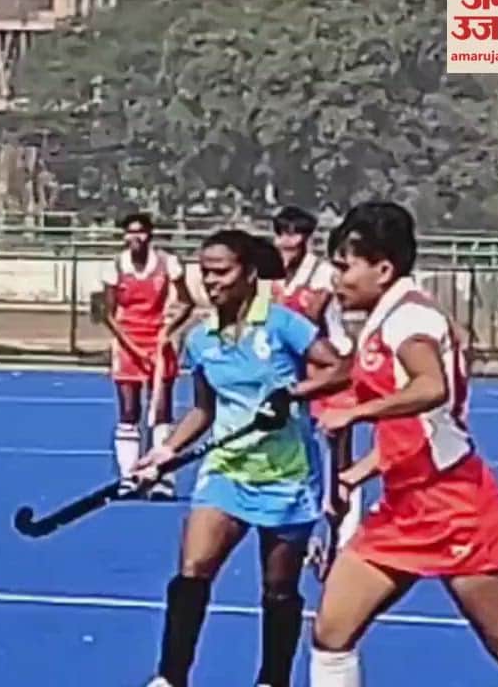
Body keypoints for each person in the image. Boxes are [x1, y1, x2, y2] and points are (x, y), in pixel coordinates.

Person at [310, 202, 498, 686]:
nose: (336, 279)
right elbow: (416, 430)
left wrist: (354, 412)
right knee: (331, 633)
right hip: (404, 505)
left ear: (383, 269)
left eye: (345, 266)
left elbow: (431, 388)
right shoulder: (384, 317)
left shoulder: (408, 320)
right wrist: (357, 473)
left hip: (453, 504)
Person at [134, 230, 349, 687]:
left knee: (278, 589)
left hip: (287, 475)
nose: (211, 282)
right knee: (192, 572)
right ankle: (170, 678)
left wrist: (292, 393)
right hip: (226, 471)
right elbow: (204, 410)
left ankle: (272, 680)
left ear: (249, 273)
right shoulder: (200, 339)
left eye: (222, 272)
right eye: (205, 273)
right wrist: (164, 451)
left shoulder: (283, 324)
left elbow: (341, 369)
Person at [272, 206, 364, 561]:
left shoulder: (322, 274)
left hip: (332, 368)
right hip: (299, 372)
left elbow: (306, 321)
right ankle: (308, 533)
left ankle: (345, 537)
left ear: (307, 239)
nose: (287, 242)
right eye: (281, 233)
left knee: (338, 455)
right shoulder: (273, 276)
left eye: (294, 234)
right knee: (302, 454)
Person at [100, 212, 193, 499]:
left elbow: (187, 302)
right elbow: (107, 313)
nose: (135, 237)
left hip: (158, 342)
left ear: (150, 235)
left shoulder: (168, 264)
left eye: (140, 232)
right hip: (127, 343)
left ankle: (162, 477)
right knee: (129, 411)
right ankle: (129, 477)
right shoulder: (115, 266)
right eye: (130, 232)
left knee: (161, 411)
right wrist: (132, 346)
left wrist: (169, 331)